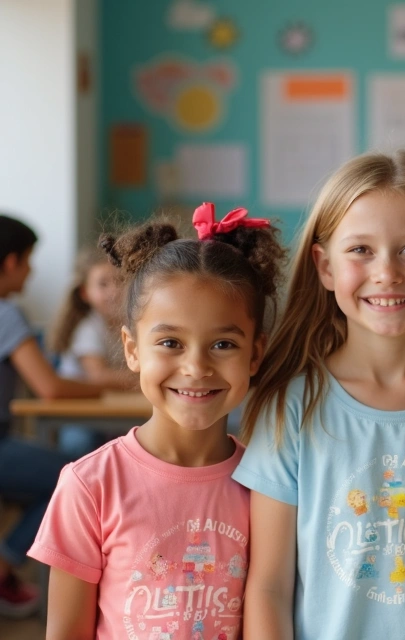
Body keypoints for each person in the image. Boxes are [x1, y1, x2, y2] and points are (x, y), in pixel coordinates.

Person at [236, 150, 405, 638]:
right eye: (361, 250)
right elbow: (269, 585)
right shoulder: (291, 407)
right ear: (325, 266)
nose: (387, 272)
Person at [28, 204, 284, 637]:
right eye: (170, 342)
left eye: (223, 344)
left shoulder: (268, 486)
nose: (196, 366)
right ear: (132, 349)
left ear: (255, 354)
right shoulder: (90, 487)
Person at [0, 214, 102, 618]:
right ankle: (5, 566)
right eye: (28, 260)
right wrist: (110, 386)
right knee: (70, 478)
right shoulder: (6, 313)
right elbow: (51, 387)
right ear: (10, 262)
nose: (32, 271)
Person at [48, 248, 136, 457]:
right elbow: (98, 375)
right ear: (85, 293)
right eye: (103, 284)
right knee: (81, 446)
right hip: (78, 416)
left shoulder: (127, 326)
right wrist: (143, 379)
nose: (114, 291)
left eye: (120, 281)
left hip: (110, 410)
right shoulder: (88, 328)